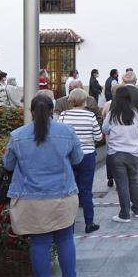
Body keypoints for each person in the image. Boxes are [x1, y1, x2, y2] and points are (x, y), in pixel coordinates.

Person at [2, 93, 86, 277]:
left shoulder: (17, 135)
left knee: (39, 242)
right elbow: (77, 159)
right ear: (52, 111)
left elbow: (8, 165)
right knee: (65, 239)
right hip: (63, 194)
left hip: (30, 197)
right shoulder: (66, 132)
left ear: (30, 111)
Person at [57, 88, 103, 234]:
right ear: (85, 100)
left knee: (70, 190)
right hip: (87, 155)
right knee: (86, 190)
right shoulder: (90, 116)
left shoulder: (63, 115)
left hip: (69, 156)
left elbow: (59, 135)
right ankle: (89, 223)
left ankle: (68, 225)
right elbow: (98, 137)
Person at [103, 87, 138, 223]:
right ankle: (137, 210)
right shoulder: (135, 113)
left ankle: (124, 214)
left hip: (117, 153)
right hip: (133, 152)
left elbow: (104, 129)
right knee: (133, 180)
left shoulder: (112, 114)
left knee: (122, 184)